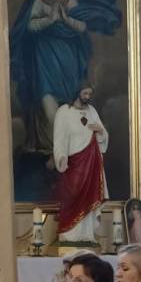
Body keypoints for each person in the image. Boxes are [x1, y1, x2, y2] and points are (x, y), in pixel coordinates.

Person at [9, 0, 122, 152]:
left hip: (68, 57)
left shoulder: (69, 0)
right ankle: (57, 148)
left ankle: (72, 149)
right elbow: (29, 26)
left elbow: (82, 26)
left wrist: (66, 19)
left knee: (70, 102)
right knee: (48, 102)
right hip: (45, 56)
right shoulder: (38, 1)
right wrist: (50, 20)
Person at [52, 84, 109, 243]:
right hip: (74, 165)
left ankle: (86, 235)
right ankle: (69, 235)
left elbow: (103, 137)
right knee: (72, 198)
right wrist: (61, 157)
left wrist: (101, 131)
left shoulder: (92, 111)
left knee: (88, 199)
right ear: (77, 92)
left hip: (91, 165)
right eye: (85, 93)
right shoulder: (64, 112)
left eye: (90, 94)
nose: (88, 97)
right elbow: (59, 140)